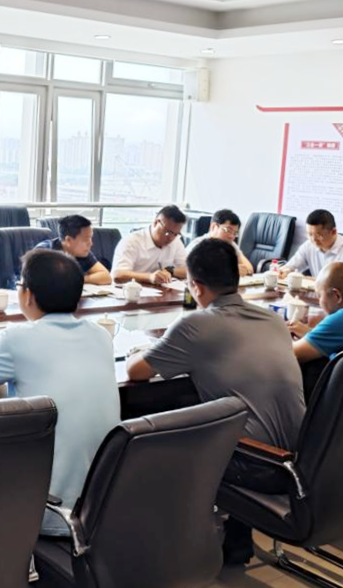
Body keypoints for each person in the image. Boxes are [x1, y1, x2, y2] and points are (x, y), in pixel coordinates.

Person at [126, 239, 305, 564]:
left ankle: (163, 552)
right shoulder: (273, 321)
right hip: (302, 459)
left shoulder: (196, 325)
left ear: (195, 286)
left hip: (258, 466)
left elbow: (136, 372)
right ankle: (236, 539)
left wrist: (141, 351)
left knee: (153, 439)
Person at [0, 249, 119, 535]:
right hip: (101, 509)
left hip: (48, 513)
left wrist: (5, 379)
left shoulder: (17, 337)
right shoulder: (101, 336)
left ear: (29, 296)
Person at [111, 205, 188, 284]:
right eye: (168, 232)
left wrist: (170, 270)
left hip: (161, 290)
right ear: (156, 223)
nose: (171, 238)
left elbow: (189, 270)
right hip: (132, 289)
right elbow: (117, 275)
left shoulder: (176, 242)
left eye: (176, 234)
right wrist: (149, 277)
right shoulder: (132, 241)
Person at [280, 209, 343, 279]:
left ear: (333, 232)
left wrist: (317, 281)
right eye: (310, 234)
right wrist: (285, 271)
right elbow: (291, 266)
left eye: (318, 235)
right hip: (318, 293)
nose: (313, 240)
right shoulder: (308, 245)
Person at [34, 214, 112, 285]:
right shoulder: (44, 252)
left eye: (91, 238)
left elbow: (106, 276)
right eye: (86, 239)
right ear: (68, 240)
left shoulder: (82, 253)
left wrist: (80, 279)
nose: (91, 243)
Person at [187, 209, 254, 276]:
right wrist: (229, 270)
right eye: (228, 230)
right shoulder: (197, 244)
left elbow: (249, 268)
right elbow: (187, 269)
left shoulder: (231, 244)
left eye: (235, 233)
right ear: (213, 227)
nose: (231, 236)